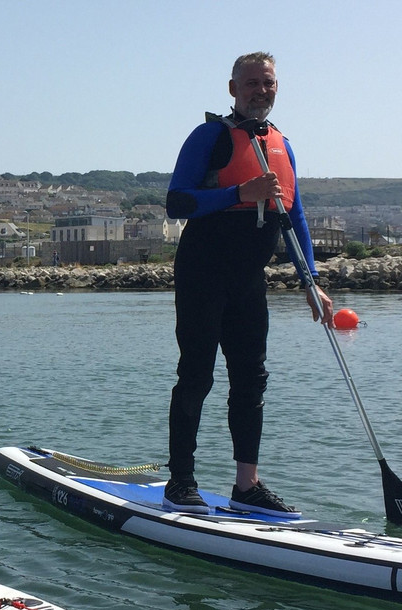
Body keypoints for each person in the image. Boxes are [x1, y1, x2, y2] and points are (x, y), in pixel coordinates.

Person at [163, 52, 333, 518]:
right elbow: (176, 202)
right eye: (252, 82)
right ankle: (181, 482)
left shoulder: (282, 144)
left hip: (248, 280)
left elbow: (294, 216)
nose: (262, 89)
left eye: (269, 82)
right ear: (233, 88)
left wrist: (310, 280)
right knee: (196, 375)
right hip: (203, 272)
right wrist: (239, 193)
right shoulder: (210, 137)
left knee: (251, 379)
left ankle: (246, 486)